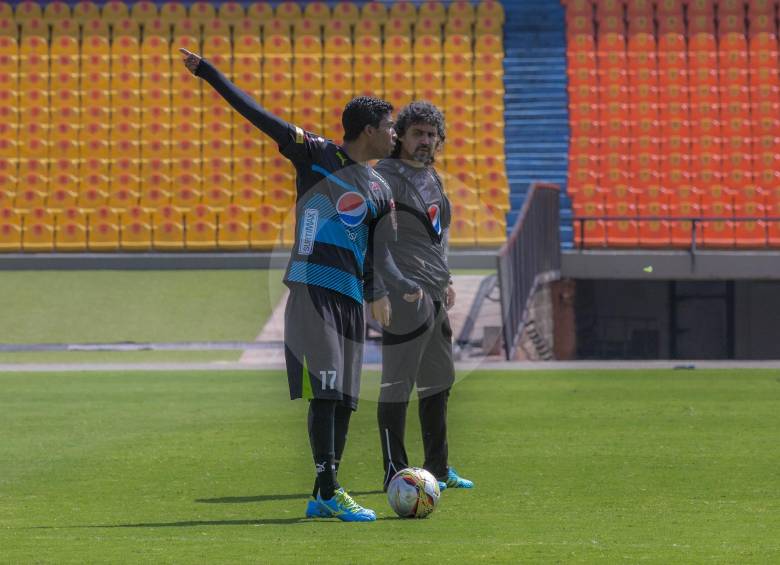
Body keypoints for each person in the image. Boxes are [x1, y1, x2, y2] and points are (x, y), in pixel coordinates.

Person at [180, 49, 421, 522]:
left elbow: (376, 252)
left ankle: (321, 493)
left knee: (346, 399)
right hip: (313, 288)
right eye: (391, 127)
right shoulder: (315, 153)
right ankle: (331, 490)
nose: (395, 134)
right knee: (326, 391)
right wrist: (209, 72)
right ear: (368, 130)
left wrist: (387, 289)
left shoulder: (380, 190)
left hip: (351, 297)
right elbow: (258, 115)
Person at [366, 101, 474, 492]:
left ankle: (439, 469)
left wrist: (446, 278)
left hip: (434, 292)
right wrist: (384, 289)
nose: (426, 141)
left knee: (438, 382)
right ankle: (394, 470)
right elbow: (374, 238)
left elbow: (437, 234)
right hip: (405, 294)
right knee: (397, 384)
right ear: (400, 138)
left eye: (431, 134)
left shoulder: (433, 178)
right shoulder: (386, 178)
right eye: (417, 133)